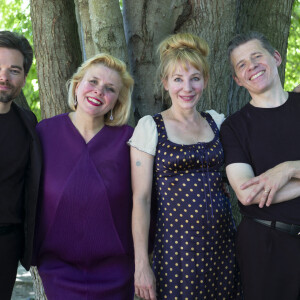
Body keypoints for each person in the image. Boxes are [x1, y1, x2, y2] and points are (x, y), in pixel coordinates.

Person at [128, 33, 242, 300]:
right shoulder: (150, 127)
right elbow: (141, 200)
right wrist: (142, 263)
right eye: (178, 79)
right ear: (165, 83)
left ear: (205, 81)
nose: (187, 88)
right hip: (177, 251)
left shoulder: (217, 122)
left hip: (224, 245)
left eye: (195, 78)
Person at [33, 53, 135, 299]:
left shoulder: (130, 140)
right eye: (93, 82)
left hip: (116, 269)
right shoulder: (44, 132)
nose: (99, 91)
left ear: (117, 102)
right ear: (77, 86)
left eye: (109, 88)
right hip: (58, 268)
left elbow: (149, 197)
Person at [220, 31, 300, 300]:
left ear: (276, 58)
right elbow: (248, 193)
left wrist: (288, 169)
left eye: (257, 56)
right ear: (237, 80)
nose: (251, 66)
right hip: (266, 247)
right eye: (241, 64)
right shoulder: (234, 127)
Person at [0, 31, 42, 299]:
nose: (4, 77)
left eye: (13, 70)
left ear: (24, 78)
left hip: (6, 244)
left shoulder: (28, 124)